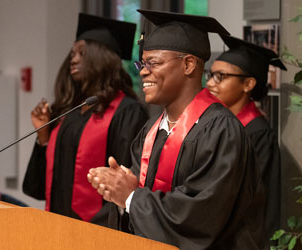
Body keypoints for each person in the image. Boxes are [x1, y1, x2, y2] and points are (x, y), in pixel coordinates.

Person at [87, 10, 266, 249]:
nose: (142, 71)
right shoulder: (151, 130)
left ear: (189, 65)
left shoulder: (221, 131)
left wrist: (130, 197)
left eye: (154, 63)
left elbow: (200, 216)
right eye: (143, 62)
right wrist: (118, 194)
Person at [22, 13, 148, 225]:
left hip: (99, 233)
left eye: (82, 52)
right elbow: (39, 187)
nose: (74, 59)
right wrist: (44, 138)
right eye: (72, 53)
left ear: (103, 57)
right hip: (57, 228)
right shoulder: (69, 112)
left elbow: (125, 183)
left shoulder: (127, 112)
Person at [205, 35, 286, 242]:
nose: (210, 83)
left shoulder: (257, 134)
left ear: (248, 84)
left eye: (220, 76)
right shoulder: (215, 126)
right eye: (211, 75)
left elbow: (262, 204)